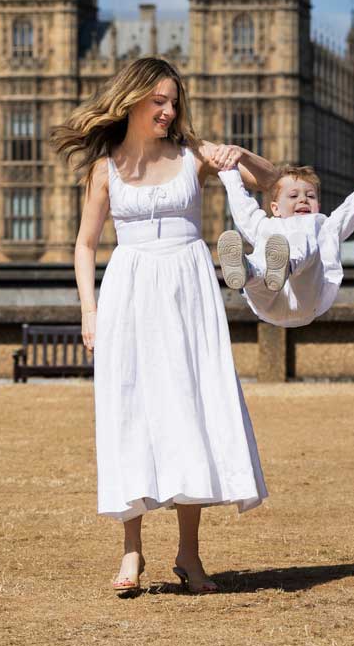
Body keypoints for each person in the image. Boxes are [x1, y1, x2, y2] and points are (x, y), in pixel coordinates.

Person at [50, 56, 274, 596]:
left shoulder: (193, 155)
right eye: (159, 101)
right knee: (131, 412)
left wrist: (238, 155)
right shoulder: (105, 168)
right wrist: (88, 309)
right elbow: (85, 245)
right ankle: (132, 551)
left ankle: (189, 555)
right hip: (128, 290)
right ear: (131, 102)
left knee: (187, 411)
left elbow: (271, 182)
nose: (169, 110)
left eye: (174, 102)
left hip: (187, 289)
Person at [215, 162, 354, 327]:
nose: (303, 200)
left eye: (310, 196)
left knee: (305, 236)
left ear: (318, 205)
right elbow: (243, 208)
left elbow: (353, 206)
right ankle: (249, 272)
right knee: (258, 272)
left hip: (307, 300)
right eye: (293, 195)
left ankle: (286, 264)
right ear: (275, 208)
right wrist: (229, 172)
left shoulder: (324, 227)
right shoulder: (266, 226)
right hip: (268, 302)